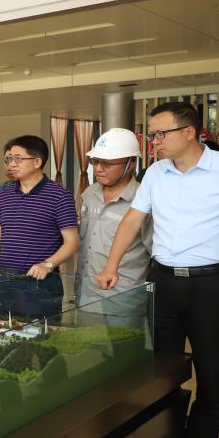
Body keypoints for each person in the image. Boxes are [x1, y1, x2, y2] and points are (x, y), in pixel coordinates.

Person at [95, 101, 219, 438]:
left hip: (214, 287)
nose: (154, 142)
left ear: (189, 132)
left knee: (213, 377)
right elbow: (133, 220)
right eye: (152, 135)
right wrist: (111, 265)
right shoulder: (155, 174)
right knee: (161, 372)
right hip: (164, 283)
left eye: (161, 134)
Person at [0, 135, 79, 320]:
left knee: (42, 332)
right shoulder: (3, 196)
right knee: (7, 329)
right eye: (9, 159)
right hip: (6, 278)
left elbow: (72, 242)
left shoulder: (60, 196)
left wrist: (47, 265)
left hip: (41, 280)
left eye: (18, 159)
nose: (11, 164)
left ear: (37, 162)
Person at [77, 128, 151, 326]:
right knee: (88, 345)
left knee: (124, 345)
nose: (99, 168)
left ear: (130, 163)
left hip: (124, 296)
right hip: (87, 293)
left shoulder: (143, 200)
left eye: (108, 163)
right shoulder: (89, 193)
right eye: (95, 162)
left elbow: (156, 252)